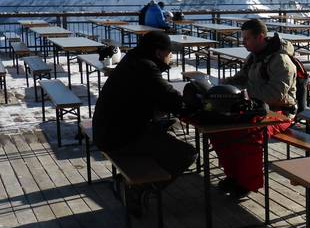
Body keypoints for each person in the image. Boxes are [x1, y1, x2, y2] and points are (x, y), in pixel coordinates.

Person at [92, 31, 197, 215]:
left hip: (108, 130)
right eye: (169, 52)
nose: (171, 56)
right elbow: (169, 98)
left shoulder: (133, 60)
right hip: (119, 137)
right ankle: (137, 189)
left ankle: (139, 181)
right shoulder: (145, 67)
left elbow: (155, 95)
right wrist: (192, 106)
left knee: (165, 130)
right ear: (158, 53)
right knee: (187, 154)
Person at [209, 19, 297, 198]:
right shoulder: (255, 56)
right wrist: (225, 85)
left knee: (249, 132)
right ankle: (233, 176)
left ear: (260, 37)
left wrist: (245, 93)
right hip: (256, 107)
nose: (243, 43)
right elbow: (242, 78)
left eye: (247, 38)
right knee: (221, 129)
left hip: (280, 112)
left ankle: (248, 183)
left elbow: (276, 95)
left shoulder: (280, 60)